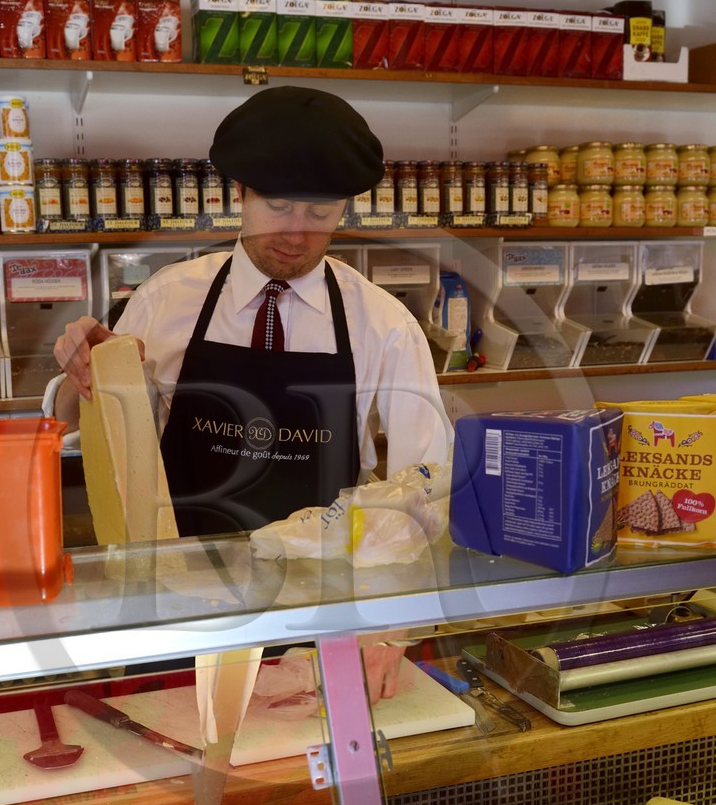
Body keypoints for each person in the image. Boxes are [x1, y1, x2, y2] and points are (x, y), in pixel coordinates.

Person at [47, 86, 453, 539]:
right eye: (278, 207)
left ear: (345, 207)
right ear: (239, 191)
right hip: (186, 579)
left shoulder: (386, 325)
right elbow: (80, 428)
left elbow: (428, 485)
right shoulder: (164, 298)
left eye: (320, 213)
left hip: (325, 591)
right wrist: (81, 371)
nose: (296, 235)